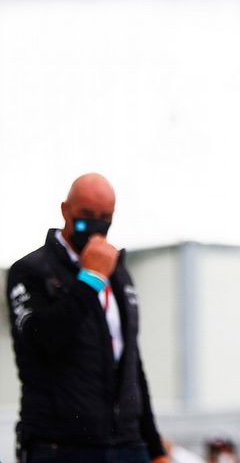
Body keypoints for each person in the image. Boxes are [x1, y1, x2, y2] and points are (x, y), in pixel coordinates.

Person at [5, 173, 167, 463]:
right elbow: (42, 343)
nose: (95, 225)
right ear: (65, 210)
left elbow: (131, 362)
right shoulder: (30, 271)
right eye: (87, 215)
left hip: (127, 443)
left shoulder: (119, 273)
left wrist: (154, 448)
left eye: (105, 217)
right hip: (61, 445)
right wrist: (90, 280)